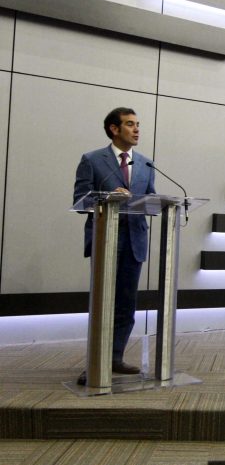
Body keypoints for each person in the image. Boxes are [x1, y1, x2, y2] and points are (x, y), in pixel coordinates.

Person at [73, 107, 156, 384]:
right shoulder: (92, 160)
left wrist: (146, 202)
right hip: (106, 239)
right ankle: (95, 362)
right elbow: (80, 201)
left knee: (126, 304)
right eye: (130, 124)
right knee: (103, 303)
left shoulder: (145, 164)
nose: (136, 130)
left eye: (138, 124)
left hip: (135, 241)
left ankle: (115, 357)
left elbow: (152, 202)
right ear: (114, 129)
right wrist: (109, 196)